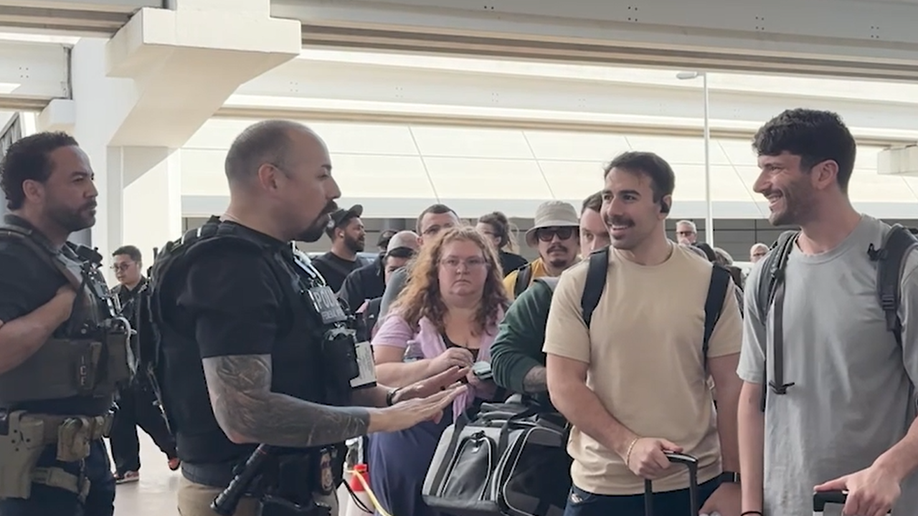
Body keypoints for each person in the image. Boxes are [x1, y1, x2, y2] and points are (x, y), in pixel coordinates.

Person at [150, 119, 467, 516]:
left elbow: (323, 374)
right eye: (322, 175)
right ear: (272, 179)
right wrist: (378, 419)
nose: (333, 191)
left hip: (298, 493)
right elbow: (245, 415)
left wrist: (395, 397)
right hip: (248, 496)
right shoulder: (227, 267)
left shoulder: (289, 263)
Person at [737, 108, 918, 516]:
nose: (760, 184)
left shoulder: (902, 268)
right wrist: (750, 508)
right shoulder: (768, 272)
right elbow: (752, 398)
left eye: (774, 169)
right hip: (783, 505)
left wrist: (888, 470)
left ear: (823, 174)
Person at [544, 151, 743, 516]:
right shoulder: (580, 283)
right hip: (602, 488)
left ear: (663, 206)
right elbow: (563, 385)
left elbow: (732, 388)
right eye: (608, 196)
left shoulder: (711, 283)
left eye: (629, 197)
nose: (613, 210)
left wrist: (734, 479)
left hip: (696, 484)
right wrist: (628, 445)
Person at [0, 132, 132, 516]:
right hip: (28, 473)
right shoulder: (11, 258)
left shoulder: (72, 259)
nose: (92, 190)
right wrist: (59, 307)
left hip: (83, 454)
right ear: (33, 190)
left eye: (91, 178)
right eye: (77, 180)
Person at [370, 226, 509, 516]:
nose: (462, 269)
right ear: (436, 268)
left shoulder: (510, 317)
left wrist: (491, 381)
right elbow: (375, 371)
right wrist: (433, 367)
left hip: (485, 446)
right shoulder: (408, 314)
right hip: (414, 433)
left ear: (488, 268)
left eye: (473, 261)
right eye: (452, 261)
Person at [490, 191, 609, 407]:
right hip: (558, 423)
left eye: (563, 232)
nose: (596, 247)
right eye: (546, 234)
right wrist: (562, 379)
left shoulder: (659, 288)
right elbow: (503, 357)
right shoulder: (532, 289)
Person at [107, 245, 180, 483]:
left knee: (147, 413)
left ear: (138, 265)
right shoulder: (112, 296)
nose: (119, 271)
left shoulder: (151, 293)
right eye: (116, 267)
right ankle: (127, 467)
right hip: (120, 366)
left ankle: (173, 449)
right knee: (120, 416)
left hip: (146, 364)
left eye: (124, 266)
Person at [503, 201, 581, 301]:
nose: (555, 240)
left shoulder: (597, 279)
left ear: (578, 238)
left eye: (564, 232)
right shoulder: (514, 284)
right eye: (546, 233)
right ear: (537, 241)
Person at [310, 204, 369, 292]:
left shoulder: (366, 265)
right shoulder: (319, 269)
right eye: (357, 229)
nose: (363, 233)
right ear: (340, 233)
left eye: (362, 228)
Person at [476, 211, 527, 276]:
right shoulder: (468, 261)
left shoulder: (517, 264)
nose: (477, 235)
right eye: (476, 232)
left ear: (497, 240)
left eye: (484, 232)